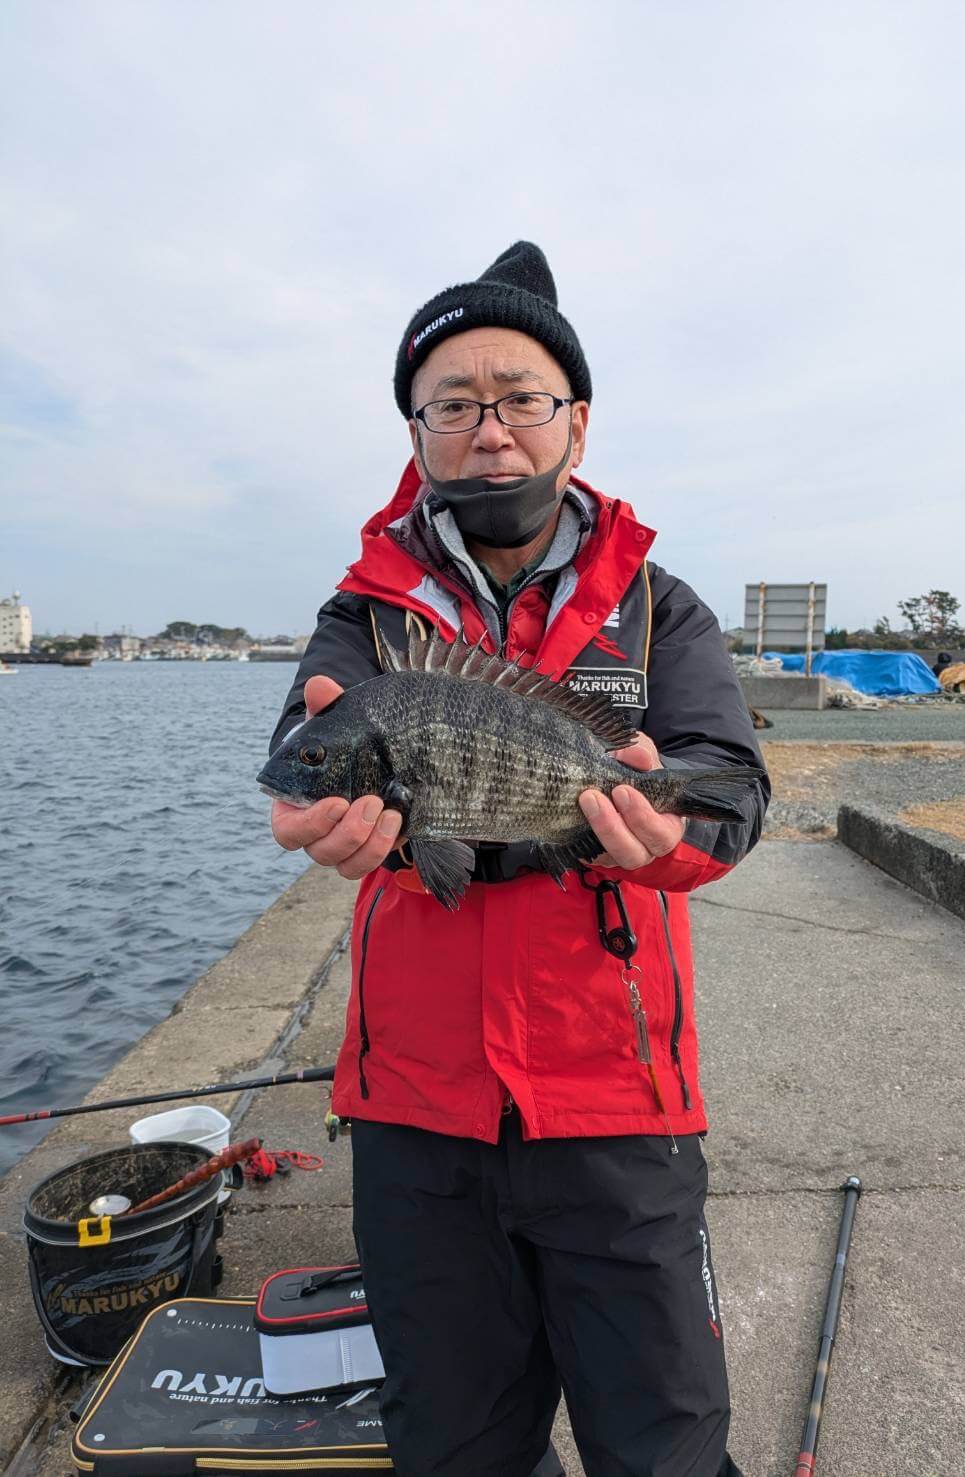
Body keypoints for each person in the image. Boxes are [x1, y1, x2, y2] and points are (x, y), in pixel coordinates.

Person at [269, 242, 771, 1477]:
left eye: (519, 397)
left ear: (575, 422)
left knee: (663, 1442)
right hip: (414, 1108)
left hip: (617, 1097)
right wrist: (319, 818)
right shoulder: (361, 614)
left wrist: (667, 838)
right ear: (417, 433)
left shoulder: (659, 607)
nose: (489, 429)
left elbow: (730, 790)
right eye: (452, 403)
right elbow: (304, 749)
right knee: (453, 1445)